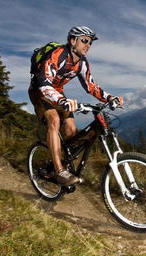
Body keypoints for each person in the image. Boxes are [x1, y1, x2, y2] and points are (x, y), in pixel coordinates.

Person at [29, 26, 123, 186]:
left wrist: (109, 98)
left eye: (90, 43)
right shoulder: (57, 55)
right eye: (84, 41)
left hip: (58, 94)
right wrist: (61, 101)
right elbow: (43, 82)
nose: (88, 45)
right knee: (54, 120)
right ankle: (59, 171)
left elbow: (91, 86)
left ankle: (65, 162)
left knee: (72, 129)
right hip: (40, 92)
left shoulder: (82, 63)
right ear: (73, 40)